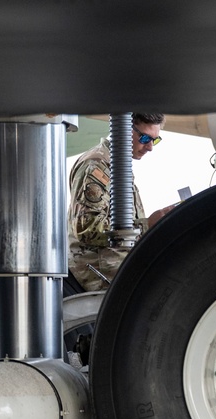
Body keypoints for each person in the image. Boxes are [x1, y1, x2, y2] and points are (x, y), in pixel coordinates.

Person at [68, 112, 177, 291]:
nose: (150, 147)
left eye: (155, 140)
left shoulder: (116, 165)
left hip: (114, 272)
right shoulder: (97, 166)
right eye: (144, 138)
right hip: (98, 278)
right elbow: (85, 228)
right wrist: (147, 224)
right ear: (125, 129)